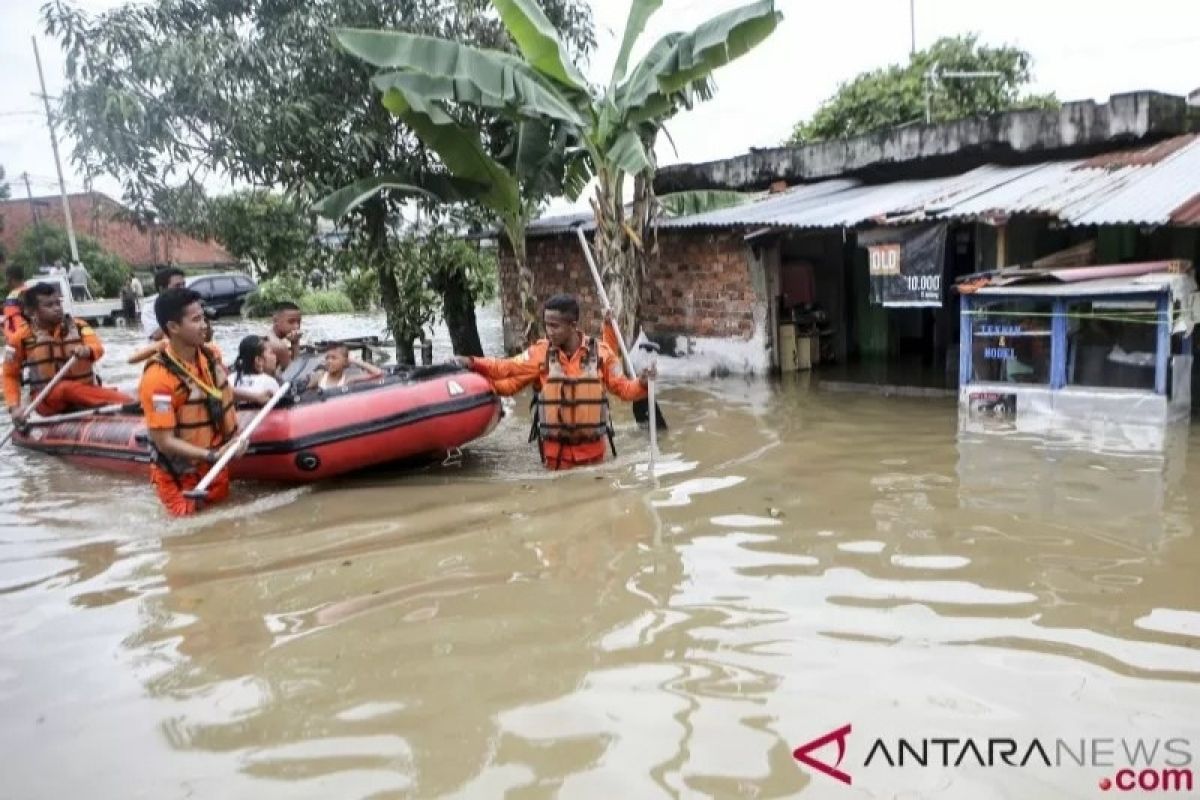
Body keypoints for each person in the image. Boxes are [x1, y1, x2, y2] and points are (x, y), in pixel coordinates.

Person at [454, 294, 654, 470]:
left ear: (573, 324)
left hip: (594, 459)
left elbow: (625, 390)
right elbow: (505, 367)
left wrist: (643, 383)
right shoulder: (540, 353)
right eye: (547, 325)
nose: (549, 331)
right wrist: (472, 362)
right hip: (555, 460)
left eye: (555, 326)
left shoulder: (602, 353)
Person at [138, 288, 245, 517]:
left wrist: (236, 441)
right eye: (196, 320)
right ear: (173, 327)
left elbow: (222, 399)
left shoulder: (210, 356)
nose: (204, 325)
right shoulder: (158, 379)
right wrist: (211, 456)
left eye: (203, 317)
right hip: (180, 478)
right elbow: (164, 441)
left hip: (215, 468)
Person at [3, 283, 133, 424]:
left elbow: (97, 347)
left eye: (58, 303)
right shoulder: (20, 338)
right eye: (49, 305)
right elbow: (10, 375)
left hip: (84, 391)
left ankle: (114, 400)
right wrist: (14, 407)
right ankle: (130, 402)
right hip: (47, 400)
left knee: (76, 389)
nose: (57, 308)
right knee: (65, 388)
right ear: (31, 311)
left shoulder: (79, 325)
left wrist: (87, 350)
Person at [307, 343, 383, 391]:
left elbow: (378, 373)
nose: (329, 361)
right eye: (327, 358)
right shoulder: (320, 375)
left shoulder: (348, 380)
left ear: (345, 362)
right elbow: (308, 392)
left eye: (334, 358)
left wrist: (354, 360)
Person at [230, 335, 282, 405]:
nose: (275, 356)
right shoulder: (270, 382)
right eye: (271, 353)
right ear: (258, 360)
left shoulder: (230, 379)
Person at [141, 267, 187, 340]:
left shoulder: (190, 303)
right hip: (162, 349)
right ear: (162, 289)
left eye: (183, 284)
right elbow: (156, 335)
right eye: (177, 286)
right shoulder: (149, 308)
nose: (183, 289)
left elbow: (206, 336)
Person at [266, 302, 302, 371]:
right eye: (291, 322)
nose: (296, 326)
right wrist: (295, 343)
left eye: (299, 322)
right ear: (275, 320)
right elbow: (294, 373)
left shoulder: (267, 336)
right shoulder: (280, 347)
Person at [3, 261, 26, 341]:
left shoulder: (12, 298)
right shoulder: (32, 291)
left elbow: (16, 328)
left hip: (22, 346)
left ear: (10, 279)